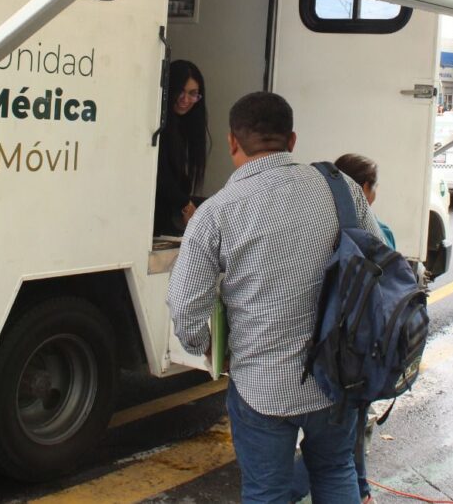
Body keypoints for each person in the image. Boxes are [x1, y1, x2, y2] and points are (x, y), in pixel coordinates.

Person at [168, 92, 382, 503]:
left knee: (267, 492)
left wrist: (212, 350)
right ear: (293, 139)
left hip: (260, 386)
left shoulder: (216, 212)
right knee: (337, 470)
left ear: (232, 142)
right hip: (336, 376)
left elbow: (185, 308)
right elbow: (376, 263)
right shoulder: (343, 189)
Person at [290, 153, 395, 503]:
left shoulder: (308, 227)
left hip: (315, 352)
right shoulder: (377, 233)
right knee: (341, 446)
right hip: (355, 354)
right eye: (374, 188)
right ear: (363, 189)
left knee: (336, 447)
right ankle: (357, 490)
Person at [154, 60, 209, 236]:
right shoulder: (157, 124)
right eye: (180, 92)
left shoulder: (187, 125)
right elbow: (159, 173)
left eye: (193, 94)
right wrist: (185, 204)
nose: (185, 100)